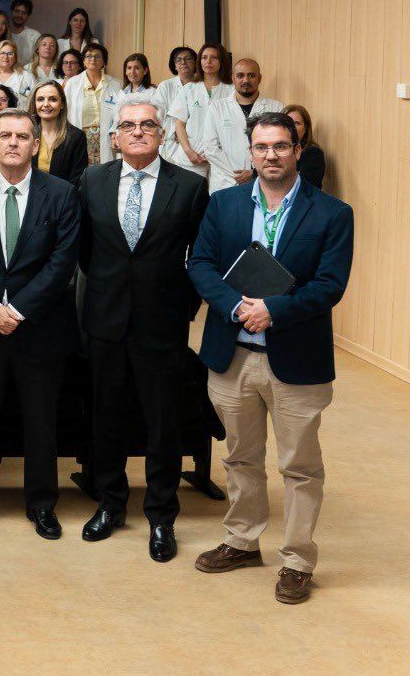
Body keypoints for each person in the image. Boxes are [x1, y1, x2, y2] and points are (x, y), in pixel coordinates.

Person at [187, 113, 354, 605]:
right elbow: (201, 264)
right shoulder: (224, 205)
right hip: (232, 355)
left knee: (300, 466)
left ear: (297, 150)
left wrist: (273, 310)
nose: (272, 155)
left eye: (281, 146)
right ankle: (242, 540)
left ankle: (297, 560)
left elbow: (330, 285)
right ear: (250, 152)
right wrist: (236, 307)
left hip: (295, 359)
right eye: (262, 147)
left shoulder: (332, 213)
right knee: (240, 456)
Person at [76, 99, 210, 564]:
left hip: (163, 325)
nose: (137, 132)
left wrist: (184, 308)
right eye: (128, 126)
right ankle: (110, 505)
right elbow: (86, 253)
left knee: (162, 424)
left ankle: (161, 515)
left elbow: (202, 258)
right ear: (114, 136)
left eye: (147, 125)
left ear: (161, 134)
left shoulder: (191, 187)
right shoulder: (92, 180)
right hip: (106, 321)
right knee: (106, 418)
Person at [0, 109, 81, 540]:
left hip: (39, 327)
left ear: (36, 144)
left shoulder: (61, 193)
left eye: (22, 137)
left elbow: (63, 262)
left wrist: (18, 309)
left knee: (41, 421)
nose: (13, 143)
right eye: (5, 135)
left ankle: (42, 504)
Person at [201, 59, 282, 193]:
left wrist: (254, 173)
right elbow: (210, 148)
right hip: (225, 183)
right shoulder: (216, 108)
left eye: (251, 75)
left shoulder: (276, 108)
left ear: (259, 78)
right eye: (240, 76)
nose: (246, 80)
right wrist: (237, 176)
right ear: (233, 78)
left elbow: (278, 147)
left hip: (263, 182)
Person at [166, 42, 232, 179]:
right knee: (189, 198)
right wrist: (188, 151)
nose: (208, 61)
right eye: (204, 57)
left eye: (214, 57)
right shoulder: (189, 89)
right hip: (190, 158)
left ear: (222, 61)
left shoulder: (231, 91)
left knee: (216, 198)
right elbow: (179, 124)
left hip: (222, 159)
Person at [64, 42, 122, 165]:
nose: (93, 59)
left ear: (104, 62)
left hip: (106, 137)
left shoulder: (116, 85)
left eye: (98, 56)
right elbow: (64, 113)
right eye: (89, 56)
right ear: (83, 61)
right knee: (81, 172)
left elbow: (120, 113)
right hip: (81, 136)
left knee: (105, 172)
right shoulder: (72, 84)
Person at [31, 81, 89, 185]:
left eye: (53, 99)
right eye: (40, 99)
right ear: (34, 104)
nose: (46, 104)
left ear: (62, 104)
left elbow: (77, 180)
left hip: (62, 198)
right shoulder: (26, 134)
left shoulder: (76, 137)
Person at [155, 46, 201, 170]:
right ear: (174, 65)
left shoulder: (201, 86)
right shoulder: (166, 86)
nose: (183, 63)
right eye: (178, 60)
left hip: (195, 145)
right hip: (170, 143)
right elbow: (157, 116)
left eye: (188, 59)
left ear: (196, 62)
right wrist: (174, 132)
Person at [283, 105, 325, 189]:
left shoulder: (313, 153)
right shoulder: (272, 152)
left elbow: (304, 188)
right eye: (287, 123)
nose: (292, 127)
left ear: (306, 128)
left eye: (296, 123)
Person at [8, 0, 38, 66]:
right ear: (12, 11)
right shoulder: (2, 33)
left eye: (24, 13)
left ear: (28, 16)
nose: (20, 15)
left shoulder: (34, 36)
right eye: (17, 11)